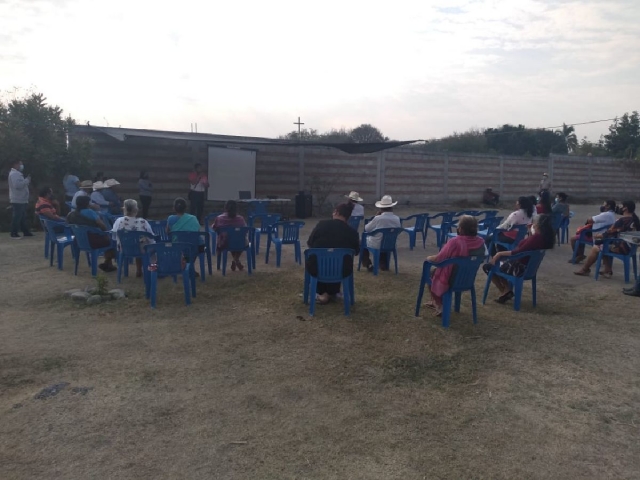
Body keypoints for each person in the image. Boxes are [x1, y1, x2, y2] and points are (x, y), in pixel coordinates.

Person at [485, 213, 555, 304]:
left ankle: (505, 290)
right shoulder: (543, 238)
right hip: (529, 268)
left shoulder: (536, 238)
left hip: (519, 268)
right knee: (499, 262)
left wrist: (499, 254)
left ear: (538, 225)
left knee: (488, 266)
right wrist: (530, 232)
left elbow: (518, 252)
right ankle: (506, 291)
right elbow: (529, 247)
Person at [423, 215, 486, 316]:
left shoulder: (455, 242)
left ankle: (439, 304)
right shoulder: (480, 242)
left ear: (460, 229)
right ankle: (436, 302)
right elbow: (482, 258)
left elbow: (439, 258)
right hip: (468, 279)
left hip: (452, 279)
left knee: (432, 273)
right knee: (440, 271)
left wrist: (428, 258)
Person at [306, 202, 360, 304]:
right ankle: (331, 292)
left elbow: (310, 243)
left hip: (317, 268)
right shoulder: (352, 232)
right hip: (342, 270)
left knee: (319, 261)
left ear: (336, 212)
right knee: (338, 262)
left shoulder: (321, 225)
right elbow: (356, 251)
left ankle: (322, 293)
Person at [574, 200, 640, 278]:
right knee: (604, 245)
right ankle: (607, 270)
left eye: (621, 206)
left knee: (596, 247)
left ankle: (585, 269)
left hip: (622, 247)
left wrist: (598, 235)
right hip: (631, 247)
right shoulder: (635, 220)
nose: (619, 207)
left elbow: (609, 232)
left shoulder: (621, 221)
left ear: (625, 208)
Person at [67, 195, 116, 272]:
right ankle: (108, 262)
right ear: (87, 203)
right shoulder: (90, 212)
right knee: (112, 242)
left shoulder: (72, 214)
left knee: (108, 239)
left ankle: (108, 264)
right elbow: (101, 225)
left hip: (79, 241)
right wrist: (106, 231)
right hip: (93, 241)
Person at [112, 199, 155, 277]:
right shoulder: (143, 222)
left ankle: (128, 271)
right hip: (140, 249)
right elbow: (151, 236)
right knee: (143, 245)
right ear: (136, 209)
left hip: (124, 248)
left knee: (136, 245)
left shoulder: (119, 221)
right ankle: (143, 269)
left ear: (124, 209)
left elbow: (114, 236)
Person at [361, 195, 401, 272]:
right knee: (382, 239)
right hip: (391, 244)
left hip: (377, 244)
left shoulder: (378, 218)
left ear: (381, 208)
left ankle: (368, 264)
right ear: (392, 207)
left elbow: (367, 228)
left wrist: (375, 217)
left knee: (362, 242)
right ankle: (383, 264)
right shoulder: (397, 218)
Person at [212, 200, 248, 271]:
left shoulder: (219, 218)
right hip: (240, 243)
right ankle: (236, 260)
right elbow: (245, 230)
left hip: (224, 243)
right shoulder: (240, 218)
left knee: (228, 238)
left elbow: (214, 228)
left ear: (225, 207)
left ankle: (235, 260)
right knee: (238, 240)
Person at [8, 160, 33, 239]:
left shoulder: (16, 174)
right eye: (20, 164)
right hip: (17, 199)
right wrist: (27, 180)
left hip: (21, 198)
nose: (22, 165)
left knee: (22, 216)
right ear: (15, 164)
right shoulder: (14, 174)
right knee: (17, 217)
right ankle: (14, 233)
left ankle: (26, 232)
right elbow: (17, 185)